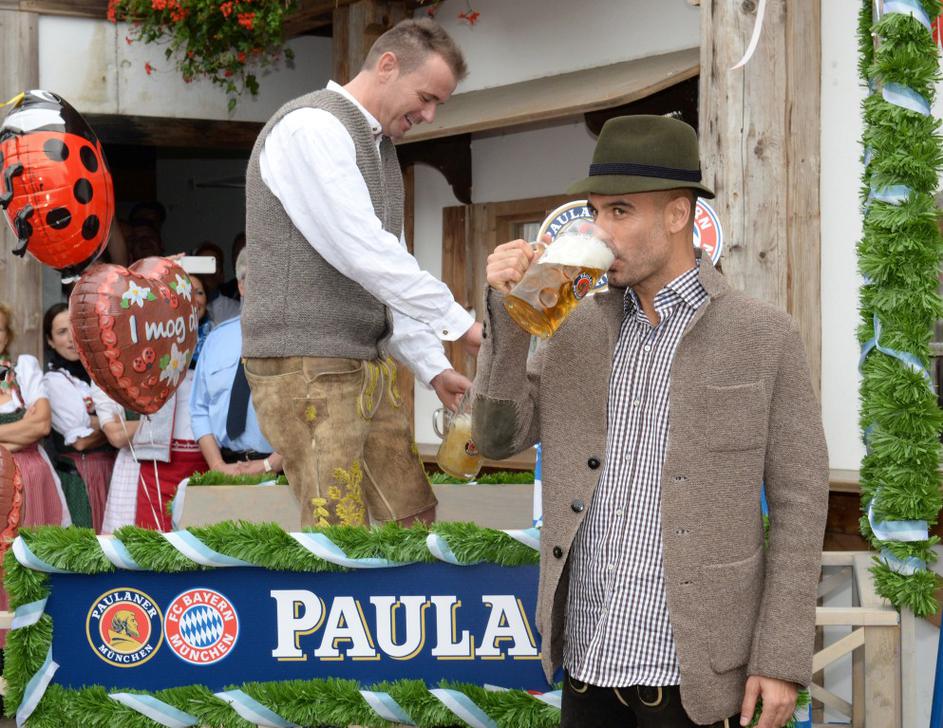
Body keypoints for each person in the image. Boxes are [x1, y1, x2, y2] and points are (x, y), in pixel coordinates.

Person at [471, 115, 829, 728]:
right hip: (588, 666)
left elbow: (801, 500)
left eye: (620, 212)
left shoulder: (764, 334)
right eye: (595, 213)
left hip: (701, 680)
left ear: (677, 214)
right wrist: (506, 319)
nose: (601, 232)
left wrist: (781, 657)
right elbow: (498, 437)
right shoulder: (574, 327)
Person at [242, 18, 482, 528]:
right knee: (338, 530)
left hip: (358, 363)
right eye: (425, 97)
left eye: (439, 102)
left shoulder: (378, 147)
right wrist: (460, 323)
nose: (430, 113)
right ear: (387, 66)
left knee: (412, 517)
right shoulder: (310, 126)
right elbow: (363, 252)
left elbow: (385, 267)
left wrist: (432, 366)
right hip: (306, 362)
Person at [190, 250, 283, 477]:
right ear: (241, 285)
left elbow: (308, 409)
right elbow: (199, 408)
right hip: (227, 469)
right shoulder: (215, 339)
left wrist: (272, 464)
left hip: (284, 471)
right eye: (256, 279)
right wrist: (217, 465)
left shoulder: (294, 340)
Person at [42, 303, 116, 532]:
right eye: (62, 332)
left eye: (75, 329)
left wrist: (98, 422)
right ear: (51, 341)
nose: (71, 339)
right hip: (86, 477)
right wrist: (116, 427)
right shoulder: (55, 381)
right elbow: (80, 441)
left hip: (114, 470)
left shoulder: (103, 373)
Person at [0, 303, 70, 527]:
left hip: (32, 479)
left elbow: (41, 425)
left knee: (36, 554)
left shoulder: (23, 370)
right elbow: (31, 427)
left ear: (6, 336)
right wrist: (22, 429)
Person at [194, 241, 240, 324]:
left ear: (222, 273)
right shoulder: (185, 309)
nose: (209, 271)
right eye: (203, 264)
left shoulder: (236, 310)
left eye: (215, 264)